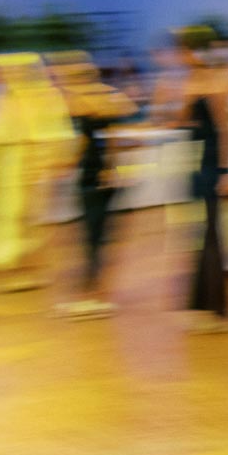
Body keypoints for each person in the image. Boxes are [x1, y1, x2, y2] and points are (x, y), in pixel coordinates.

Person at [0, 53, 77, 294]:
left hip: (22, 163)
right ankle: (4, 269)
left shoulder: (36, 97)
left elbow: (51, 133)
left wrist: (43, 165)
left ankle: (25, 270)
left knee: (23, 218)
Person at [50, 52, 138, 320]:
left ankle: (95, 296)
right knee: (93, 237)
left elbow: (103, 137)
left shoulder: (90, 99)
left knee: (94, 237)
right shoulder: (98, 98)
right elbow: (95, 137)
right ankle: (94, 294)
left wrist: (109, 169)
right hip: (95, 174)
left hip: (97, 176)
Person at [176, 26, 228, 333]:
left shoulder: (214, 79)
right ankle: (203, 304)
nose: (180, 55)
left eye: (183, 48)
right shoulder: (197, 78)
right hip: (200, 162)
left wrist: (226, 172)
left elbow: (225, 130)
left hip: (211, 164)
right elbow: (183, 120)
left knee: (212, 234)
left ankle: (219, 310)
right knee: (204, 234)